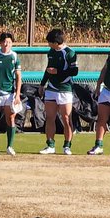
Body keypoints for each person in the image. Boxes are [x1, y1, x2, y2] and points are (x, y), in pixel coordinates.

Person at [39, 28, 78, 156]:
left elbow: (74, 71)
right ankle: (50, 144)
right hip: (51, 88)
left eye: (50, 42)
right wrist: (42, 84)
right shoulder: (51, 52)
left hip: (65, 89)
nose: (48, 45)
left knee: (66, 118)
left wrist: (58, 72)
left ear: (56, 42)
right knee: (50, 117)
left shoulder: (69, 53)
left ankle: (67, 145)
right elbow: (48, 69)